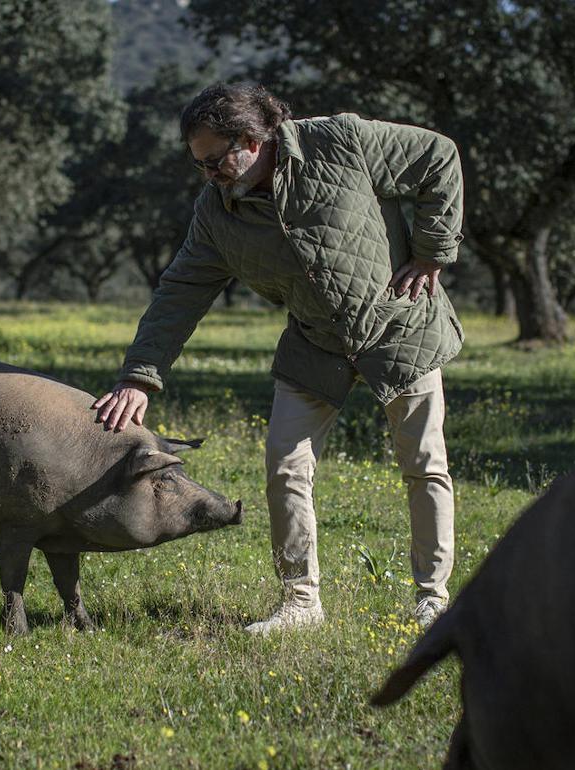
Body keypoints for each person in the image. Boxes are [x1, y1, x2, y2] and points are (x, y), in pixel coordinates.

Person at [92, 82, 464, 633]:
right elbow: (179, 293)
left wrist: (433, 252)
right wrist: (140, 378)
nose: (209, 175)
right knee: (285, 466)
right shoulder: (216, 213)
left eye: (215, 161)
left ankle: (433, 599)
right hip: (315, 345)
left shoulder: (339, 141)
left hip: (401, 325)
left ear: (251, 138)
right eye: (199, 165)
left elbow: (439, 156)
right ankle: (300, 605)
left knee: (425, 465)